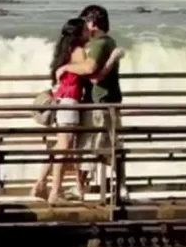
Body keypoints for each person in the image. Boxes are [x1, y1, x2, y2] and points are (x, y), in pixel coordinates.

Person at [31, 18, 124, 204]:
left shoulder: (63, 50)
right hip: (70, 103)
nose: (88, 33)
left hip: (60, 101)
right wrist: (113, 58)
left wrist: (66, 67)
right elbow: (93, 74)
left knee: (60, 147)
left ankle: (40, 185)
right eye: (84, 31)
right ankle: (55, 192)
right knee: (63, 149)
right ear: (79, 34)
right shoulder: (78, 51)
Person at [56, 4, 129, 202]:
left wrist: (66, 68)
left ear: (93, 23)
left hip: (98, 102)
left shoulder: (98, 44)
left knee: (89, 146)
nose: (83, 27)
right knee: (111, 145)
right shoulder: (107, 42)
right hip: (108, 100)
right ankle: (120, 188)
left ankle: (81, 189)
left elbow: (89, 68)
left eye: (85, 22)